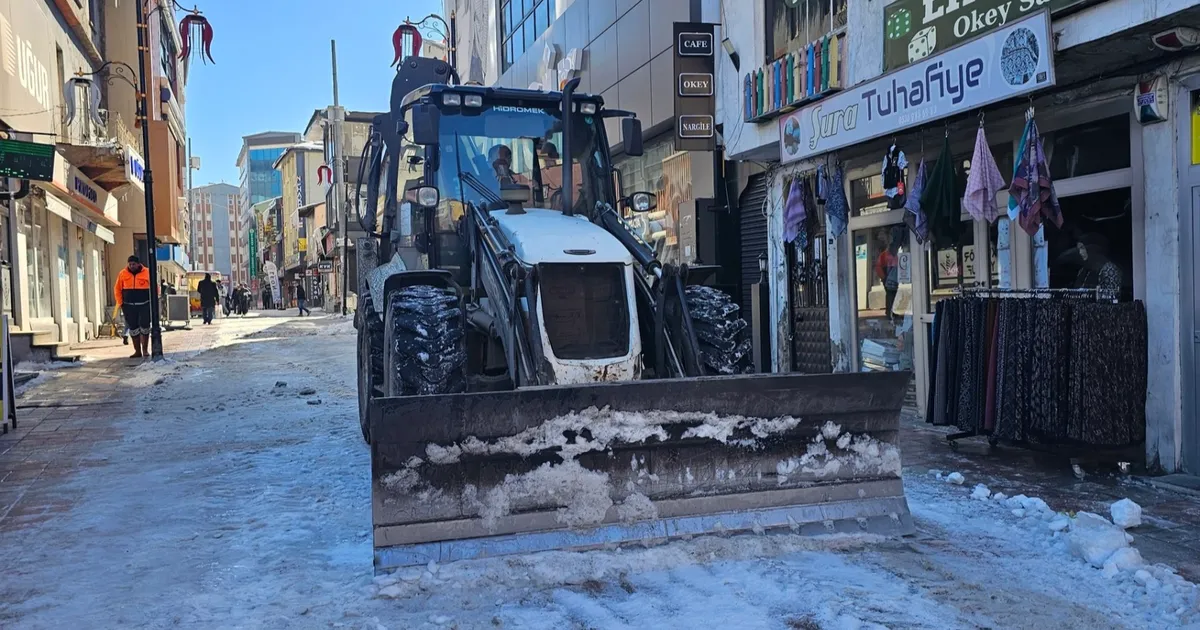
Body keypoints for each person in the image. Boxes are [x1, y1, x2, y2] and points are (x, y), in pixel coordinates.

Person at [114, 255, 152, 358]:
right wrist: (121, 303)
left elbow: (154, 288)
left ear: (138, 264)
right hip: (129, 306)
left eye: (133, 264)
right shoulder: (122, 274)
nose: (131, 266)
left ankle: (145, 350)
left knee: (145, 327)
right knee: (133, 328)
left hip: (144, 305)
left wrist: (153, 301)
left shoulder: (147, 272)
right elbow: (117, 289)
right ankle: (137, 351)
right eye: (130, 264)